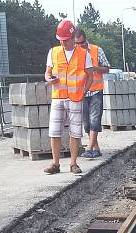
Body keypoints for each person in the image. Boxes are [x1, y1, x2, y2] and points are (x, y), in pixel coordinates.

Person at [44, 20, 92, 174]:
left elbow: (90, 76)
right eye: (60, 40)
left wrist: (84, 91)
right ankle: (55, 163)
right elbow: (47, 72)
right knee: (54, 131)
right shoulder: (53, 52)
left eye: (65, 40)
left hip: (76, 98)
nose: (62, 43)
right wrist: (49, 79)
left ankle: (73, 163)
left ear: (72, 38)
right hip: (58, 96)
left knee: (75, 132)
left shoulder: (84, 54)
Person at [74, 29, 110, 159]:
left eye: (81, 42)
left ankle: (89, 148)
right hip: (81, 91)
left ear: (85, 39)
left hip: (95, 90)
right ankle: (96, 148)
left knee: (94, 119)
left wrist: (94, 68)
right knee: (87, 123)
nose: (79, 45)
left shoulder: (96, 50)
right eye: (76, 43)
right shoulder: (74, 53)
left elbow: (106, 68)